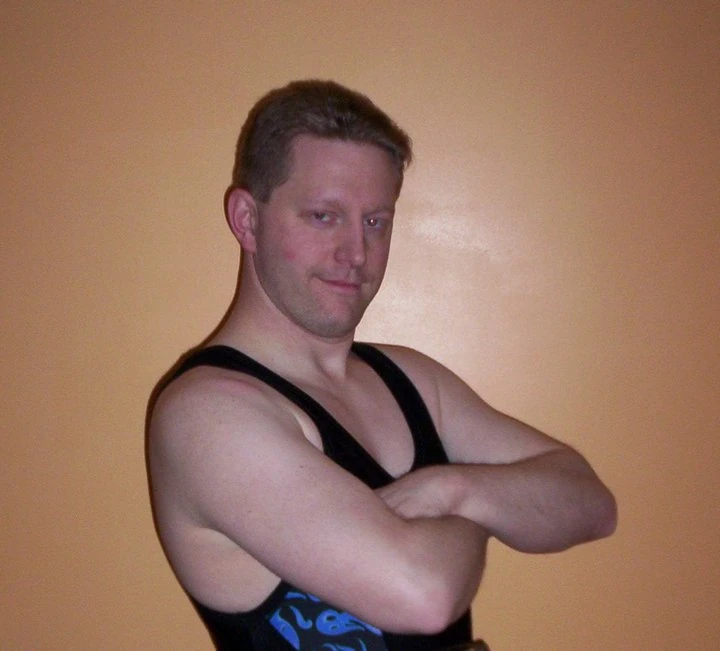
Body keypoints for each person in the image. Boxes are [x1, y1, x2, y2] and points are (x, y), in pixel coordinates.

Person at [147, 80, 617, 651]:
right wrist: (491, 505)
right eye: (324, 216)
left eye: (375, 221)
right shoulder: (206, 414)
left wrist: (452, 489)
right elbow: (424, 595)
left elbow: (590, 503)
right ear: (247, 220)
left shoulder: (411, 380)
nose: (356, 254)